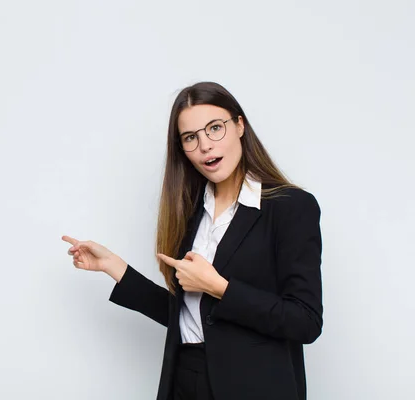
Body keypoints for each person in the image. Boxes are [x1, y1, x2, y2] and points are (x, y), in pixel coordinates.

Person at [62, 82, 323, 400]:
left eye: (215, 128)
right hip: (186, 380)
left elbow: (305, 321)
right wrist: (114, 267)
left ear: (239, 126)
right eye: (190, 137)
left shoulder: (291, 207)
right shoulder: (191, 213)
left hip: (254, 387)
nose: (205, 146)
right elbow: (189, 316)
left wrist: (219, 287)